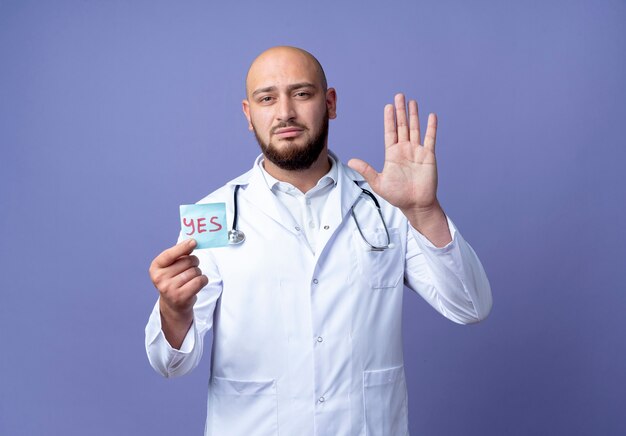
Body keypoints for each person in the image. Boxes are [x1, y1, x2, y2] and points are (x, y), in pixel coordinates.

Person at [145, 46, 492, 436]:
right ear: (248, 114)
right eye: (267, 98)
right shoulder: (214, 215)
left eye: (302, 93)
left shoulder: (388, 205)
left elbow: (470, 306)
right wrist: (174, 311)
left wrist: (424, 211)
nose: (284, 113)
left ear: (330, 103)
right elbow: (169, 364)